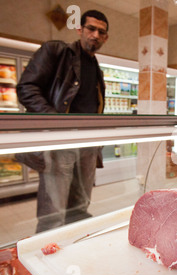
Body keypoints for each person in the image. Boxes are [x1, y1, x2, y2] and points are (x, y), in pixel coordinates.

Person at [16, 10, 109, 232]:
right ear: (80, 30)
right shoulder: (56, 51)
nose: (95, 35)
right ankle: (46, 256)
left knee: (80, 206)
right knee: (53, 213)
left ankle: (72, 251)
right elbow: (26, 88)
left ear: (106, 37)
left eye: (101, 32)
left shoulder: (96, 69)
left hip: (88, 144)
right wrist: (55, 121)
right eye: (91, 29)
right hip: (61, 142)